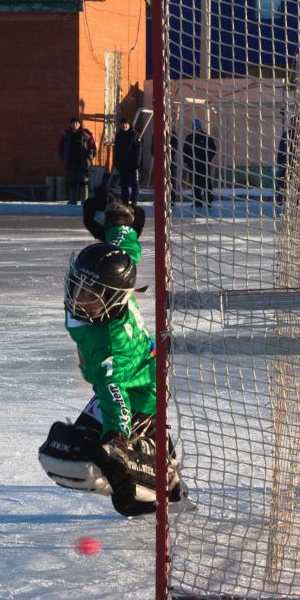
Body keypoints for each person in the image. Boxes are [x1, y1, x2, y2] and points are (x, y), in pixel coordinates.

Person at [38, 187, 186, 517]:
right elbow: (125, 250)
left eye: (91, 295)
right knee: (66, 453)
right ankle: (161, 466)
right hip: (138, 373)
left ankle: (156, 486)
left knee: (86, 460)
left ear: (113, 300)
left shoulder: (108, 344)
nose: (79, 298)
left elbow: (113, 392)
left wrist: (117, 436)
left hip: (139, 392)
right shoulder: (115, 289)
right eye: (78, 286)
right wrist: (119, 221)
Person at [57, 117, 96, 204]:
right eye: (73, 123)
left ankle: (85, 201)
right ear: (70, 125)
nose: (75, 125)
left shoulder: (86, 134)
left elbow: (92, 148)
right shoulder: (65, 135)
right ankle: (73, 200)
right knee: (72, 182)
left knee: (84, 182)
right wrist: (63, 157)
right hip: (71, 163)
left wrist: (89, 158)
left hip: (83, 163)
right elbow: (60, 148)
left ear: (79, 124)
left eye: (76, 123)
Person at [182, 118, 217, 206]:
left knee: (206, 183)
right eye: (195, 127)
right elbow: (185, 150)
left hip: (203, 165)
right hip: (193, 165)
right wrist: (187, 161)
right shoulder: (189, 138)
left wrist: (206, 159)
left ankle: (209, 201)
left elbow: (213, 150)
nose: (196, 128)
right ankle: (197, 201)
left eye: (197, 127)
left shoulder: (206, 138)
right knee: (195, 184)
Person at [111, 116, 142, 206]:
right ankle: (125, 200)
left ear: (129, 125)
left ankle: (134, 200)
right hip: (122, 164)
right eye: (123, 124)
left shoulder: (134, 134)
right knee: (123, 183)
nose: (124, 126)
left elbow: (139, 150)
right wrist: (116, 163)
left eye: (126, 124)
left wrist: (137, 163)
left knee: (134, 183)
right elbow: (116, 150)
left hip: (132, 164)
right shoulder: (119, 135)